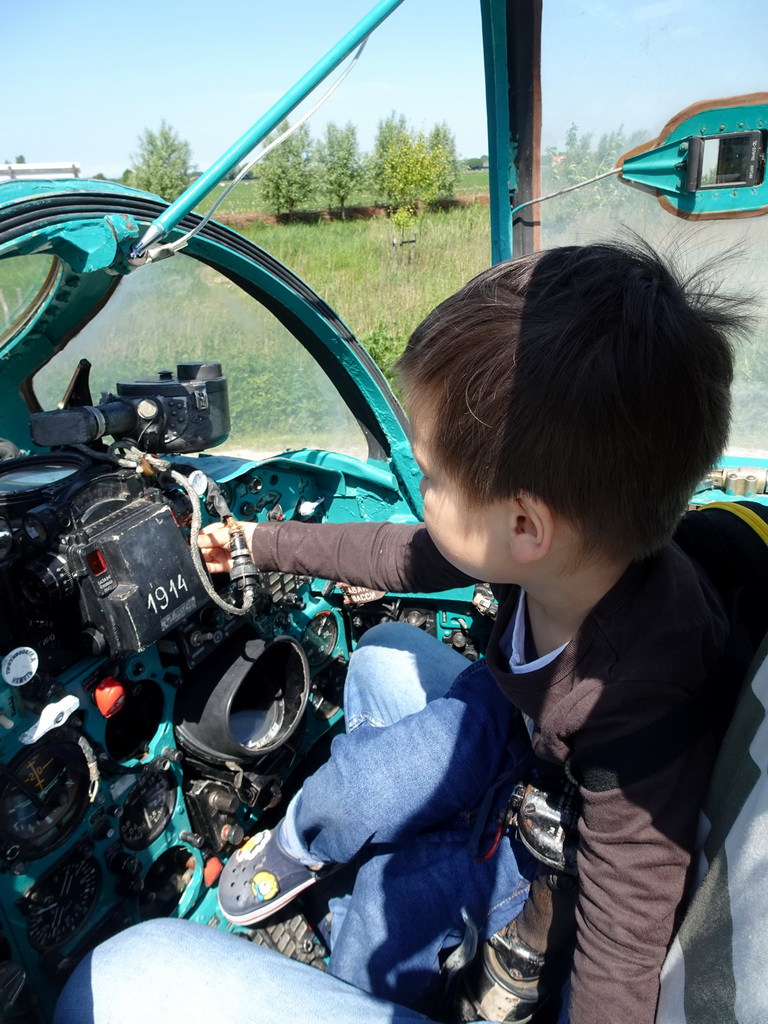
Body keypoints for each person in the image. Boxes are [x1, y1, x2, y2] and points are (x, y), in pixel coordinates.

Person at [122, 241, 748, 1024]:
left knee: (388, 900)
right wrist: (257, 542)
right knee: (374, 700)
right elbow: (402, 554)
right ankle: (309, 845)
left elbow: (623, 932)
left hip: (557, 831)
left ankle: (344, 971)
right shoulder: (570, 554)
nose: (421, 495)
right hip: (521, 723)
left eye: (431, 477)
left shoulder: (641, 697)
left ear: (525, 526)